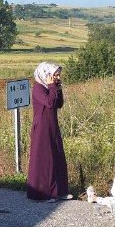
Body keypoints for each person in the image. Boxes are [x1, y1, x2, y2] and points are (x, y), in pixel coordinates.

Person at [27, 62, 70, 202]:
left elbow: (59, 104)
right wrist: (52, 87)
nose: (57, 77)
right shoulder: (38, 88)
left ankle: (59, 191)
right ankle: (42, 193)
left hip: (52, 126)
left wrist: (58, 88)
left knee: (57, 156)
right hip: (42, 128)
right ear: (46, 74)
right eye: (55, 75)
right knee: (44, 160)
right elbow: (50, 103)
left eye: (58, 75)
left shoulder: (50, 87)